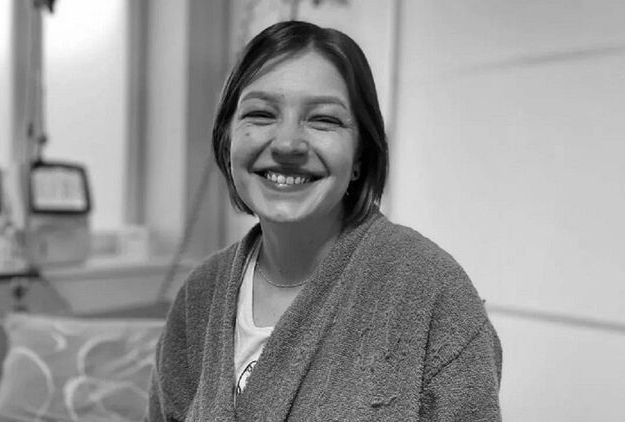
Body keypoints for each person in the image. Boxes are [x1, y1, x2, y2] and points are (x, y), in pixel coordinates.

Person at [148, 20, 502, 421]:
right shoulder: (199, 297)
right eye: (261, 114)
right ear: (228, 137)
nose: (287, 144)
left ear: (360, 155)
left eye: (323, 120)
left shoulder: (433, 293)